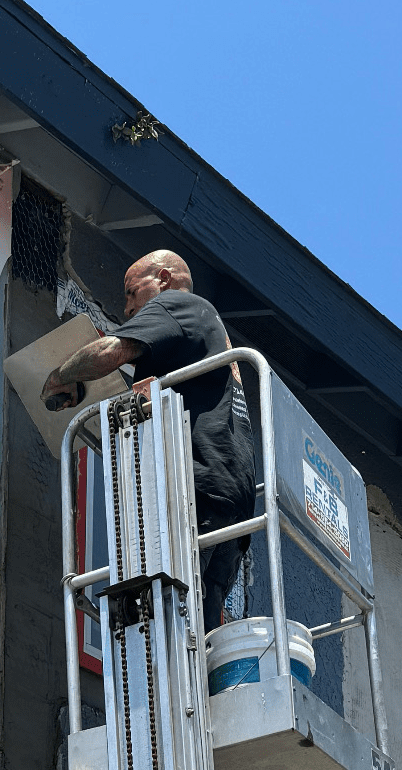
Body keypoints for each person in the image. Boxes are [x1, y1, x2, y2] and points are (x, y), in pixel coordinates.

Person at [42, 250, 256, 630]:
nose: (127, 308)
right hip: (233, 500)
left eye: (130, 292)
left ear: (163, 279)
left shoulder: (176, 304)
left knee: (164, 622)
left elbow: (113, 349)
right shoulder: (207, 328)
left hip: (197, 490)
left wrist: (62, 375)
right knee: (200, 631)